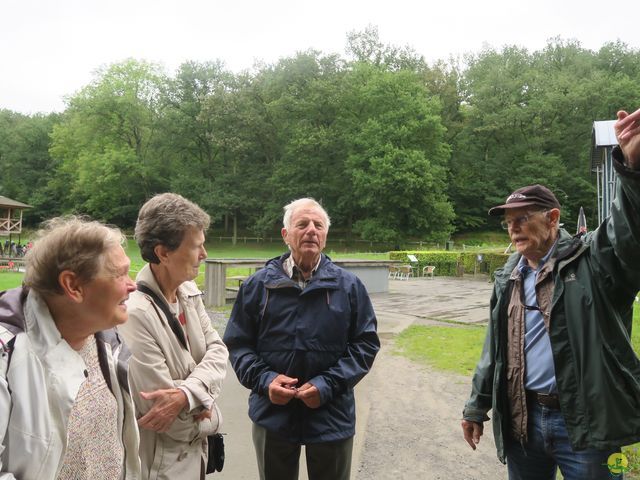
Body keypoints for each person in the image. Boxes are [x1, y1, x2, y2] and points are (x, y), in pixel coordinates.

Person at [461, 107, 640, 480]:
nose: (513, 228)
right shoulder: (508, 276)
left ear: (554, 218)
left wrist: (632, 169)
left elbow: (630, 230)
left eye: (524, 218)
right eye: (509, 222)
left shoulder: (594, 259)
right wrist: (476, 407)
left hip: (589, 428)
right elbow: (494, 349)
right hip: (522, 422)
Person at [223, 198, 380, 480]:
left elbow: (365, 345)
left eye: (318, 225)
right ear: (285, 235)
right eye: (302, 224)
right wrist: (265, 379)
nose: (311, 230)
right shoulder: (258, 286)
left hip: (332, 414)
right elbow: (239, 344)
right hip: (273, 414)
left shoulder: (349, 286)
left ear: (326, 235)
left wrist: (327, 384)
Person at [0, 216, 141, 479]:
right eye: (119, 274)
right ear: (73, 286)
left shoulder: (106, 339)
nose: (133, 284)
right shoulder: (6, 357)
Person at [118, 193, 228, 480]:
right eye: (196, 247)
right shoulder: (135, 314)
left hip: (197, 461)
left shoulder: (189, 291)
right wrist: (213, 412)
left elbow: (219, 351)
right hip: (162, 469)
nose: (204, 254)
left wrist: (186, 394)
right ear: (163, 253)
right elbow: (167, 420)